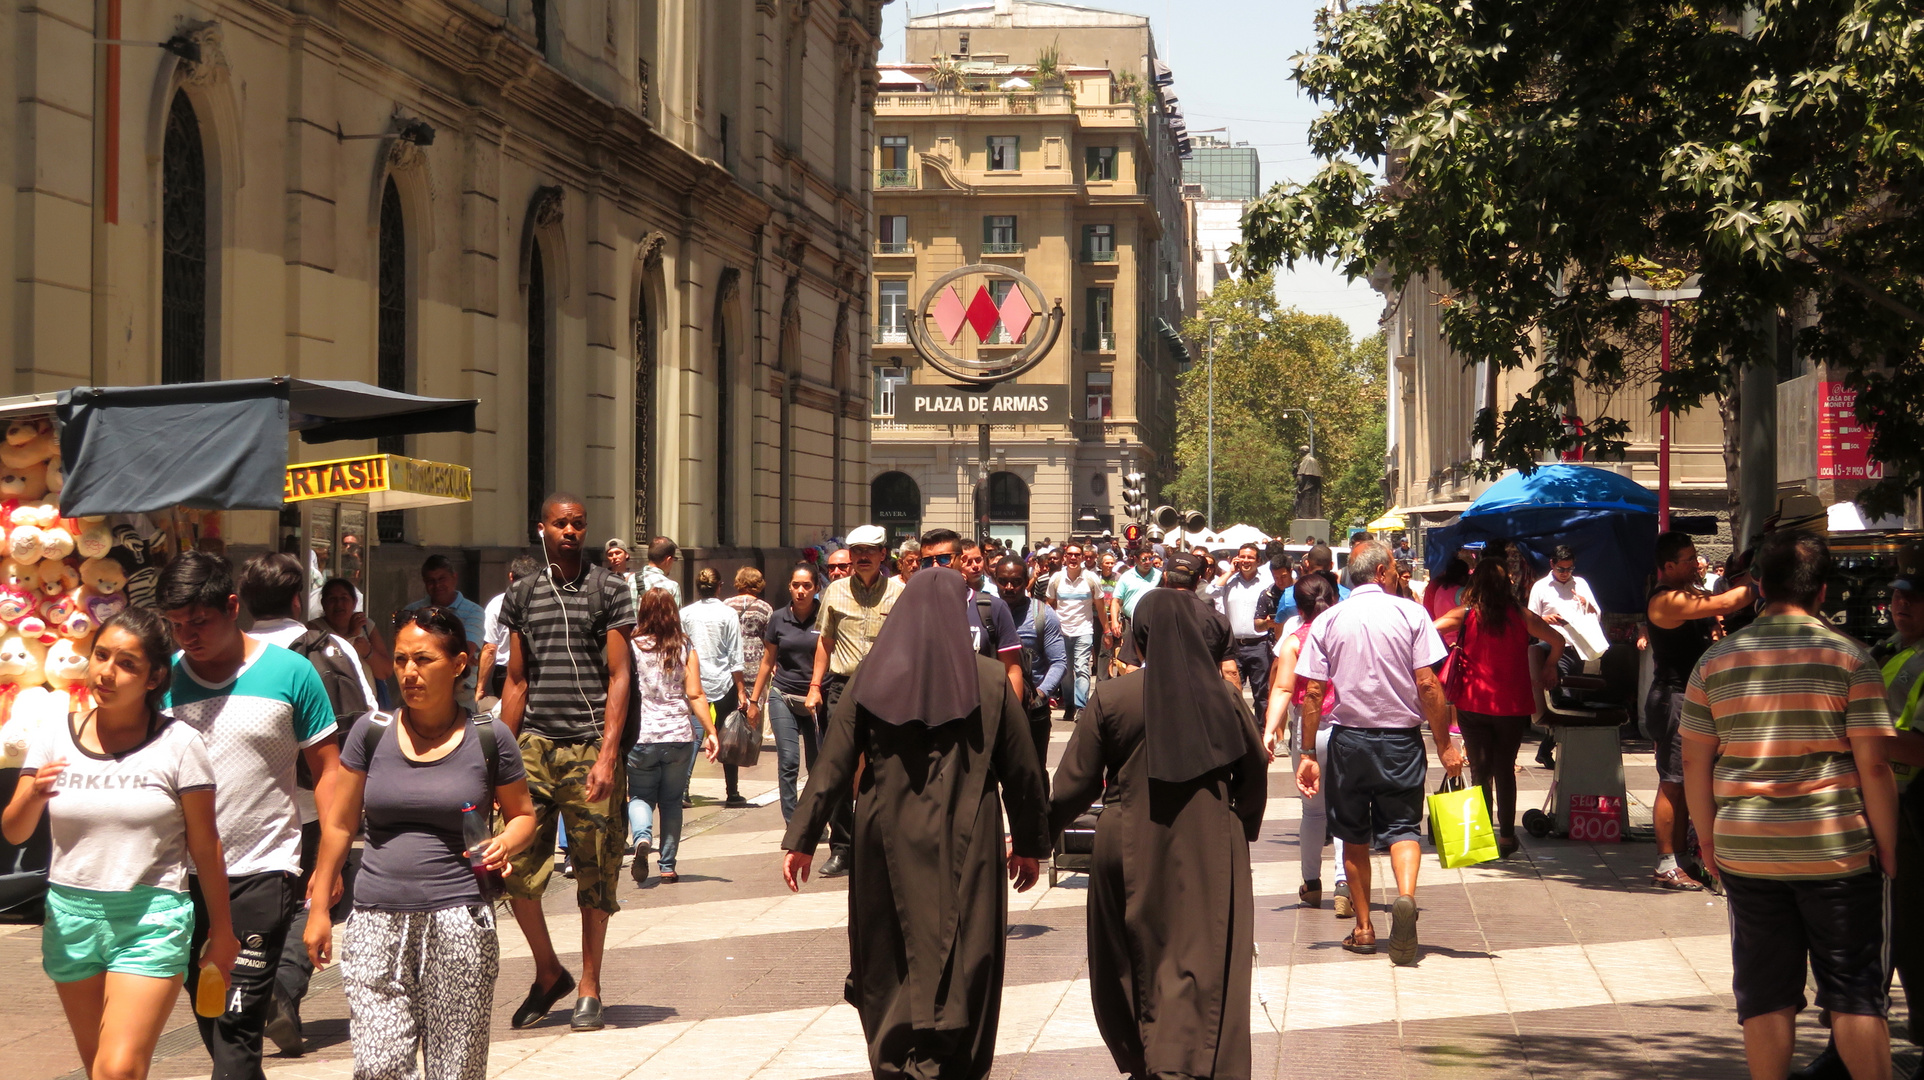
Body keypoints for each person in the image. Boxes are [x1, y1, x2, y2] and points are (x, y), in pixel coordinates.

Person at [780, 568, 1050, 1080]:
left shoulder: (867, 677)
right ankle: (956, 1059)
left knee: (889, 948)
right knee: (969, 947)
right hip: (970, 834)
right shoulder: (991, 680)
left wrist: (803, 839)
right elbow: (1023, 772)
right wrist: (1031, 844)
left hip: (885, 833)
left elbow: (832, 763)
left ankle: (895, 1057)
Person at [1679, 531, 1900, 1080]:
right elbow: (1875, 765)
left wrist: (1708, 842)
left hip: (1747, 851)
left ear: (1756, 587)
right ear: (1822, 592)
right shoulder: (1852, 659)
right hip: (1838, 853)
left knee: (1765, 993)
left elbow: (1693, 766)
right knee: (1853, 991)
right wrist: (1889, 850)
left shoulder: (1714, 662)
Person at [4, 608, 238, 1080]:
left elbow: (206, 845)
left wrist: (223, 934)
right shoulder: (55, 735)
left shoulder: (180, 745)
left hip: (150, 919)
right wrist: (31, 793)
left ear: (154, 678)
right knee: (100, 1071)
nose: (106, 672)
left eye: (126, 663)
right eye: (101, 655)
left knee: (118, 1070)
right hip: (71, 918)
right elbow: (14, 830)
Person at [304, 609, 538, 1080]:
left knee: (456, 1070)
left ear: (458, 664)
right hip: (374, 919)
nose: (409, 672)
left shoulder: (490, 737)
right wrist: (318, 907)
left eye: (423, 660)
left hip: (459, 921)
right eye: (401, 660)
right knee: (379, 1066)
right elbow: (340, 824)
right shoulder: (371, 734)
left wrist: (504, 844)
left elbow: (524, 817)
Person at [1049, 589, 1268, 1080]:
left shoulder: (1111, 695)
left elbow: (1075, 784)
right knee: (1203, 956)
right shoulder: (1226, 697)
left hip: (1126, 840)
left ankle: (1145, 1054)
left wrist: (1035, 835)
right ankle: (1189, 1059)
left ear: (1140, 640)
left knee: (1128, 956)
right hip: (1211, 843)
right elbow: (1253, 775)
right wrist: (1241, 826)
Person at [155, 552, 344, 1080]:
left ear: (232, 606)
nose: (188, 635)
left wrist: (328, 864)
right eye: (175, 624)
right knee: (214, 1023)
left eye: (200, 620)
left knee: (237, 1030)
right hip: (179, 881)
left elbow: (328, 771)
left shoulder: (290, 673)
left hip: (263, 872)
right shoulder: (161, 683)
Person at [497, 492, 636, 1032]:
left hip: (588, 746)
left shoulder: (610, 588)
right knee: (514, 867)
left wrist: (606, 755)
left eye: (579, 524)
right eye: (561, 524)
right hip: (531, 747)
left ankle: (590, 984)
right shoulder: (523, 594)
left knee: (595, 870)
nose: (571, 531)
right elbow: (515, 680)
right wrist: (496, 760)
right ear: (542, 529)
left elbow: (620, 675)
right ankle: (548, 970)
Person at [237, 554, 378, 1056]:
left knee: (259, 900)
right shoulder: (331, 647)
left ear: (245, 602)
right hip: (319, 802)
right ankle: (282, 985)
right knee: (318, 896)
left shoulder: (235, 653)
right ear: (299, 599)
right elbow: (368, 720)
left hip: (245, 808)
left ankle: (248, 997)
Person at [1294, 540, 1456, 964]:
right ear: (1383, 572)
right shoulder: (1411, 613)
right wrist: (1445, 742)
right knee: (1404, 828)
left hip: (1349, 741)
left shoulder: (1329, 619)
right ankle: (1404, 897)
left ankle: (1364, 928)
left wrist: (1308, 751)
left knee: (1352, 836)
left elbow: (1313, 691)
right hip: (1401, 740)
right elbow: (1428, 684)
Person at [1432, 558, 1566, 856]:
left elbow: (1429, 631)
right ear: (1507, 586)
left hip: (1472, 703)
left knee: (1480, 771)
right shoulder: (1520, 615)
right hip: (1512, 704)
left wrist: (1447, 653)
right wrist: (1550, 667)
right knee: (1505, 769)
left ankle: (1480, 839)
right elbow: (1557, 640)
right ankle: (1506, 837)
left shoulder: (1465, 615)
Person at [1646, 530, 1757, 890]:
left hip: (1692, 696)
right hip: (1674, 697)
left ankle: (1681, 860)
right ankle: (1666, 864)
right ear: (1668, 566)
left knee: (1686, 782)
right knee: (1673, 783)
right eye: (1690, 559)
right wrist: (1763, 580)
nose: (1697, 563)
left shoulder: (1688, 591)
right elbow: (1725, 604)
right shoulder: (1666, 600)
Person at [804, 524, 904, 877]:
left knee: (887, 765)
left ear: (883, 555)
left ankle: (884, 844)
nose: (862, 556)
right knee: (840, 767)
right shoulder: (834, 593)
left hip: (888, 691)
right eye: (856, 550)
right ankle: (842, 847)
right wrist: (815, 686)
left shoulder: (899, 592)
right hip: (842, 688)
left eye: (869, 550)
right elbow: (825, 643)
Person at [1261, 575, 1351, 912]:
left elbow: (1283, 689)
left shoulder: (1294, 640)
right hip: (1346, 727)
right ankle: (1344, 883)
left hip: (1308, 732)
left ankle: (1311, 884)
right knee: (1346, 809)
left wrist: (1270, 729)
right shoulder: (1347, 634)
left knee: (1313, 812)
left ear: (1298, 608)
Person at [625, 589, 716, 886]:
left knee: (639, 795)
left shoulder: (631, 646)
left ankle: (641, 838)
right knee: (672, 802)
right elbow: (695, 693)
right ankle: (667, 866)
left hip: (642, 734)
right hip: (679, 734)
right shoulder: (684, 646)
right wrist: (711, 732)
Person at [747, 564, 826, 823]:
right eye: (796, 585)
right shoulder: (778, 618)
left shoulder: (825, 616)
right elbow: (767, 661)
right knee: (789, 761)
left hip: (816, 699)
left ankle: (814, 819)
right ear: (789, 587)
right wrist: (754, 701)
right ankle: (793, 824)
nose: (801, 591)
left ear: (816, 588)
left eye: (807, 586)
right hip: (783, 695)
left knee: (817, 766)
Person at [994, 555, 1067, 773]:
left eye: (1016, 582)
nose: (1009, 587)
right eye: (1003, 581)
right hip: (993, 707)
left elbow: (1059, 662)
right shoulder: (984, 612)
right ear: (994, 579)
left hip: (1032, 710)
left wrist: (1040, 694)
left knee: (1032, 774)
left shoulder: (1043, 615)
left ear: (1026, 581)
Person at [682, 568, 748, 808]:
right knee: (728, 735)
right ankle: (733, 792)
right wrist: (741, 689)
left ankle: (684, 789)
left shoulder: (685, 614)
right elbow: (735, 655)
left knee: (693, 736)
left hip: (693, 681)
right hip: (723, 682)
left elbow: (681, 648)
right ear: (719, 586)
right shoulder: (728, 614)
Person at [400, 556, 486, 708]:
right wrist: (455, 652)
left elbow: (467, 650)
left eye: (442, 579)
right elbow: (403, 651)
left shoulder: (474, 612)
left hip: (460, 693)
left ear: (454, 578)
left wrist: (425, 653)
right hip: (420, 689)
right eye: (430, 581)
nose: (437, 585)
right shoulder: (411, 611)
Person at [311, 577, 392, 701]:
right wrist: (350, 636)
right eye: (332, 599)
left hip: (366, 708)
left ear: (354, 602)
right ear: (323, 603)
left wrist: (368, 652)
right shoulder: (314, 629)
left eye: (344, 598)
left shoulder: (366, 626)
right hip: (331, 706)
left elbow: (385, 672)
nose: (338, 604)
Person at [1046, 542, 1098, 724]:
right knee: (1066, 672)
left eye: (1077, 554)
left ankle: (1081, 707)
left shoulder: (1091, 579)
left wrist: (1106, 629)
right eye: (1070, 554)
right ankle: (1069, 704)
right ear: (1065, 557)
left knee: (1082, 668)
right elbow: (1049, 603)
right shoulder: (1056, 579)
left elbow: (1099, 604)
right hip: (1061, 632)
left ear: (1083, 558)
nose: (1073, 558)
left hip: (1084, 630)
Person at [1215, 543, 1273, 707]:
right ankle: (1238, 731)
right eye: (1242, 557)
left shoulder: (1266, 583)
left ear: (1258, 561)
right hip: (1233, 647)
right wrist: (1230, 572)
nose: (1246, 560)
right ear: (1236, 559)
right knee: (1232, 695)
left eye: (1250, 557)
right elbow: (1211, 591)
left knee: (1262, 695)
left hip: (1259, 645)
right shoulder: (1229, 581)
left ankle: (1261, 732)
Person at [479, 556, 541, 704]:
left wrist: (480, 687)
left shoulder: (497, 604)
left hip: (505, 675)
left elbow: (489, 649)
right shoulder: (546, 602)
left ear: (511, 576)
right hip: (538, 671)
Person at [1254, 555, 1298, 639]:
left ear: (1291, 572)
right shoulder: (1267, 594)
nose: (1280, 582)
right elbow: (1257, 625)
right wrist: (1267, 624)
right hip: (1274, 645)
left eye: (1283, 577)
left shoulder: (1303, 590)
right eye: (1276, 578)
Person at [639, 537, 682, 605]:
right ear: (668, 560)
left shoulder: (628, 580)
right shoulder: (672, 586)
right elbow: (674, 615)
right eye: (674, 559)